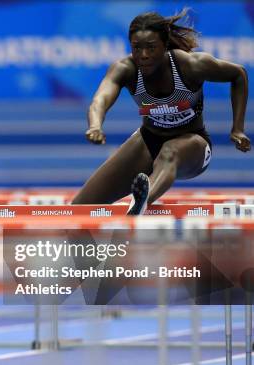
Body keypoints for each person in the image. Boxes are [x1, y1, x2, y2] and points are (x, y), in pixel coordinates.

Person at [71, 9, 250, 214]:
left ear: (165, 45)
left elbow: (238, 74)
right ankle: (114, 239)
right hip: (149, 141)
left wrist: (237, 129)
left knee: (170, 151)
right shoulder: (125, 69)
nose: (143, 56)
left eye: (151, 48)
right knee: (79, 209)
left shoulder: (191, 65)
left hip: (193, 145)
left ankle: (139, 203)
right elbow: (100, 99)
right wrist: (95, 125)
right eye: (137, 48)